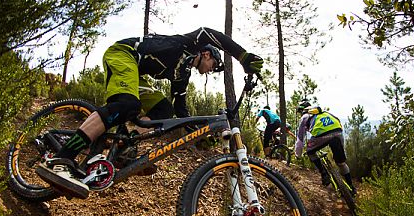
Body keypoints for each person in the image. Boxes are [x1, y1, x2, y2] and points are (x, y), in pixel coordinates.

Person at [37, 27, 264, 199]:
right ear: (206, 54)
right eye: (214, 65)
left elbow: (179, 109)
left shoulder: (182, 76)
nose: (211, 71)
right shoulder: (190, 44)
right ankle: (63, 158)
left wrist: (200, 133)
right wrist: (242, 56)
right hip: (124, 54)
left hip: (138, 74)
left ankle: (125, 147)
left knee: (163, 108)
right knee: (127, 104)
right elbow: (210, 32)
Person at [294, 100, 357, 195]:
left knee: (310, 151)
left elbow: (300, 140)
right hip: (338, 132)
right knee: (341, 162)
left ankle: (324, 174)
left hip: (322, 135)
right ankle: (351, 187)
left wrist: (298, 155)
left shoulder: (305, 117)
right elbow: (338, 123)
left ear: (302, 110)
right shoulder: (325, 113)